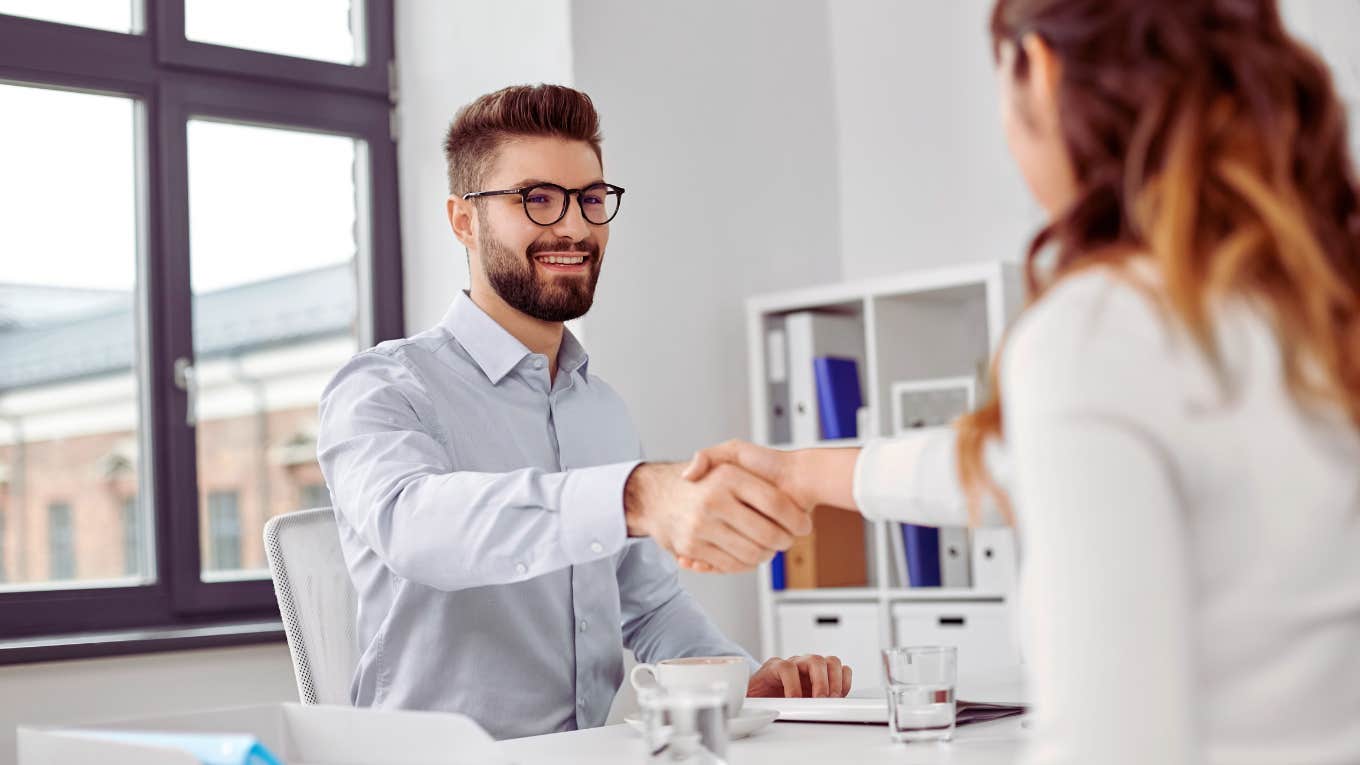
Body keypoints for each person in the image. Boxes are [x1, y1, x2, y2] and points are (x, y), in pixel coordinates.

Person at [685, 1, 1360, 762]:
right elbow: (1009, 465)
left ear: (1038, 68)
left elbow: (1109, 745)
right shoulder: (1311, 305)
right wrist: (801, 472)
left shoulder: (1100, 332)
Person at [316, 84, 852, 740]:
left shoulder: (599, 408)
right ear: (463, 220)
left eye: (590, 199)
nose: (573, 226)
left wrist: (744, 682)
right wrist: (630, 496)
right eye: (536, 198)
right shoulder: (384, 388)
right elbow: (415, 527)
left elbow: (649, 604)